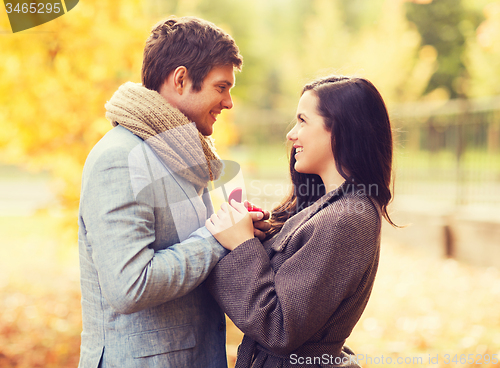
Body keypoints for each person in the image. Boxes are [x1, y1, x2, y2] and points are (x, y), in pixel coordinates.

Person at [77, 16, 254, 368]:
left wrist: (241, 235)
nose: (229, 102)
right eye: (221, 87)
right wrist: (217, 239)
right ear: (181, 79)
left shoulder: (180, 155)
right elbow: (130, 286)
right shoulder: (120, 159)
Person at [205, 76, 395, 368]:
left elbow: (280, 328)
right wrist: (257, 237)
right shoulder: (329, 207)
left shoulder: (347, 219)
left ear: (341, 130)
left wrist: (242, 245)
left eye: (303, 121)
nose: (292, 134)